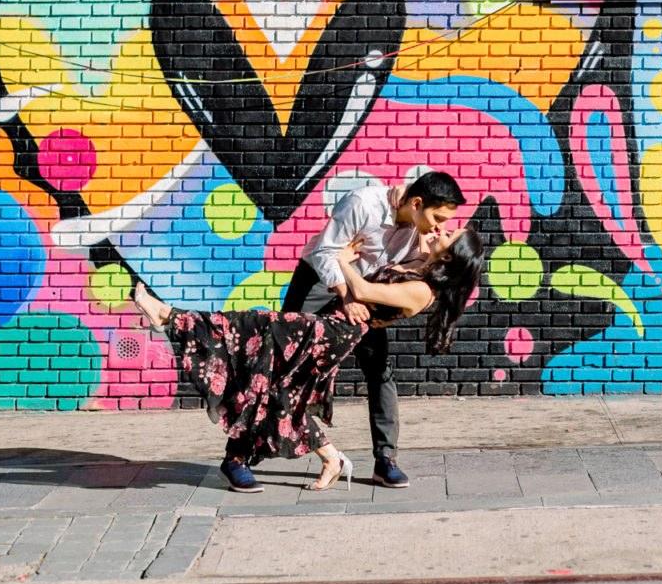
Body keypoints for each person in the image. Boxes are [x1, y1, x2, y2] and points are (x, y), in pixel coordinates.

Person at [131, 226, 487, 492]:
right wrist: (428, 240)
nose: (442, 228)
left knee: (253, 325)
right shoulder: (422, 265)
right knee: (278, 390)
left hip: (330, 333)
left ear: (449, 258)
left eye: (450, 233)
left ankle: (169, 316)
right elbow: (422, 239)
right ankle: (331, 459)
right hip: (327, 325)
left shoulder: (421, 290)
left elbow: (363, 291)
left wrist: (343, 261)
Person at [230, 170, 466, 492]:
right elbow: (326, 252)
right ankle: (237, 458)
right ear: (416, 203)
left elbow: (404, 280)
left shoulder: (420, 232)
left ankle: (386, 460)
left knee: (380, 371)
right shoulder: (362, 203)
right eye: (437, 218)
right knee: (281, 368)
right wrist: (349, 295)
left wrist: (385, 309)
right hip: (320, 284)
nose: (439, 227)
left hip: (364, 297)